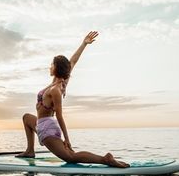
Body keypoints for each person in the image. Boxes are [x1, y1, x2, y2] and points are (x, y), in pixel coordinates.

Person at [16, 31, 129, 168]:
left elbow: (60, 116)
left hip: (47, 129)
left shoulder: (56, 90)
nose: (50, 66)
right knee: (26, 117)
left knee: (70, 157)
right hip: (41, 123)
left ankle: (105, 159)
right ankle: (30, 151)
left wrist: (67, 139)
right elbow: (73, 61)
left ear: (57, 68)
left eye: (52, 64)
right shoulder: (56, 81)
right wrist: (84, 44)